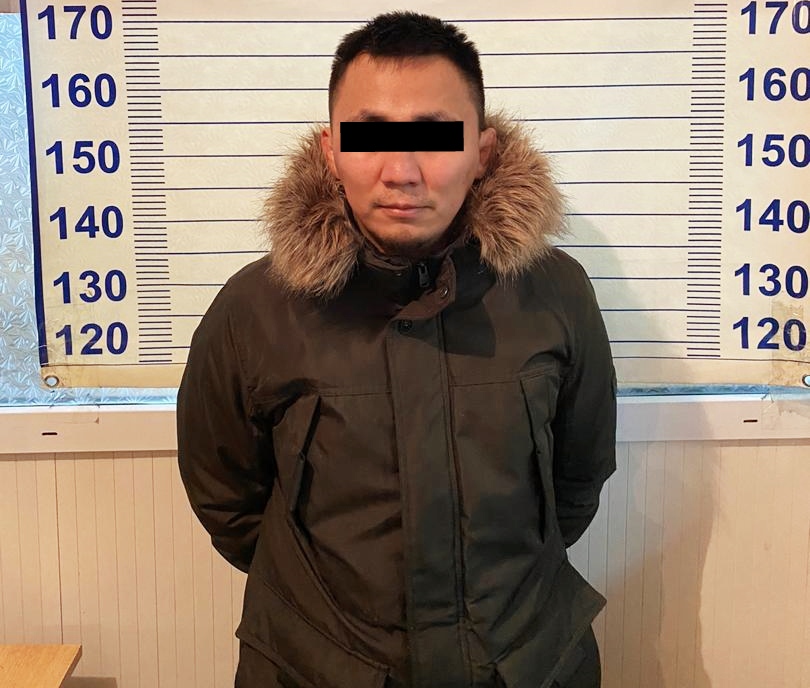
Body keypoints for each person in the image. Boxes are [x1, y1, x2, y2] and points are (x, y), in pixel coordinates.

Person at [177, 11, 616, 688]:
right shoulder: (253, 310)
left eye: (436, 137)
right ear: (330, 150)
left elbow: (578, 479)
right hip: (312, 670)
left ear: (482, 152)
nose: (402, 172)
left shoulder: (555, 293)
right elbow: (227, 498)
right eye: (370, 136)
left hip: (527, 661)